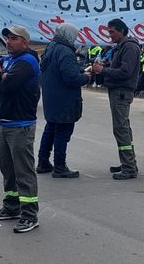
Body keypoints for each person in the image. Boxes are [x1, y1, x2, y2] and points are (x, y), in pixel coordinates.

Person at [0, 25, 41, 233]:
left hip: (21, 125)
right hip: (4, 122)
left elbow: (9, 86)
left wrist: (0, 75)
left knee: (23, 171)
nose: (8, 41)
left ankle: (30, 215)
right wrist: (1, 75)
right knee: (8, 169)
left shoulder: (27, 61)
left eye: (14, 38)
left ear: (25, 42)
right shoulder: (8, 59)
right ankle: (11, 207)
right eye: (7, 38)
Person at [38, 23, 90, 179]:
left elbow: (59, 69)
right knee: (62, 132)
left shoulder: (51, 47)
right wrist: (86, 77)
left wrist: (81, 70)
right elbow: (71, 78)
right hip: (64, 100)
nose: (75, 39)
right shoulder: (66, 51)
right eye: (74, 36)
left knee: (50, 129)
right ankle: (60, 166)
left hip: (51, 98)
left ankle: (43, 162)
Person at [92, 18, 141, 180]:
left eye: (112, 32)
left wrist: (103, 70)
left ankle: (129, 168)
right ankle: (129, 162)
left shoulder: (130, 47)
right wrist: (106, 66)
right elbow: (119, 67)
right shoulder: (122, 47)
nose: (110, 35)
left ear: (122, 31)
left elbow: (125, 72)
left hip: (121, 92)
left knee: (121, 129)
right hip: (118, 91)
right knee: (123, 128)